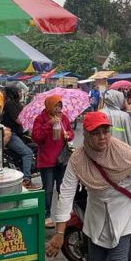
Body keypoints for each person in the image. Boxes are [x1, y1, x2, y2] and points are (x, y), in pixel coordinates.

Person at [46, 111, 131, 261]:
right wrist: (60, 233)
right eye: (96, 133)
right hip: (96, 210)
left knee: (116, 260)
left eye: (105, 132)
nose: (102, 137)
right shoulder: (78, 159)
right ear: (86, 135)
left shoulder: (122, 151)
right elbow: (66, 194)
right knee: (96, 259)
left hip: (123, 208)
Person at [32, 94, 74, 228]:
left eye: (60, 106)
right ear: (49, 105)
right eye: (56, 106)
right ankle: (46, 215)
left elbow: (70, 132)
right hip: (46, 161)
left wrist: (69, 135)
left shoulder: (63, 118)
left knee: (62, 188)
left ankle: (64, 215)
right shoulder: (40, 119)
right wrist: (48, 125)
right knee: (48, 189)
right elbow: (36, 138)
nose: (58, 109)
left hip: (61, 159)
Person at [0, 82, 38, 190]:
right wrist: (33, 121)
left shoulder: (17, 103)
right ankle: (27, 180)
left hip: (19, 133)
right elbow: (19, 120)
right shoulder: (10, 104)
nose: (20, 93)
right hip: (11, 134)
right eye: (19, 91)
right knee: (27, 153)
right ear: (14, 93)